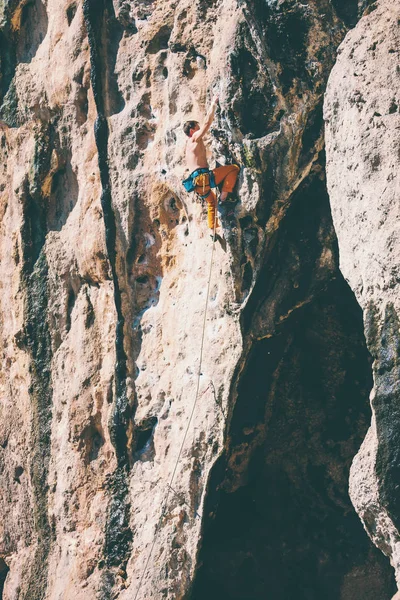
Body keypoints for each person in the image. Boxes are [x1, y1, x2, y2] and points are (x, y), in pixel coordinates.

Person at [182, 96, 240, 230]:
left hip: (197, 184)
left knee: (211, 202)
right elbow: (207, 124)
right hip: (203, 178)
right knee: (234, 169)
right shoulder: (194, 138)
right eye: (197, 127)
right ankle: (224, 197)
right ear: (192, 131)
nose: (199, 128)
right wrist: (213, 104)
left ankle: (212, 228)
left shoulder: (187, 147)